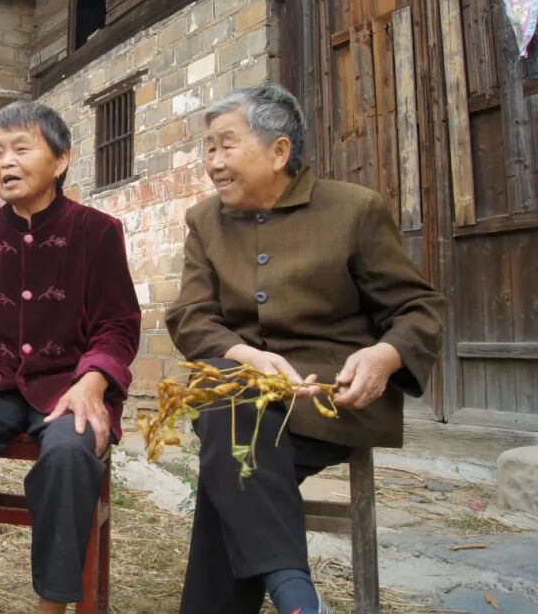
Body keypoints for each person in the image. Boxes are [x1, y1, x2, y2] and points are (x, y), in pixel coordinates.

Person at [166, 83, 445, 614]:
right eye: (209, 148)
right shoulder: (205, 221)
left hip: (329, 399)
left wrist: (384, 356)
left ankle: (293, 593)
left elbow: (419, 308)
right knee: (233, 419)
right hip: (240, 389)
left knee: (229, 447)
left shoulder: (354, 209)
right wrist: (244, 355)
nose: (214, 162)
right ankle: (295, 593)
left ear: (279, 151)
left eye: (227, 145)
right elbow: (191, 316)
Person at [0, 101, 141, 614]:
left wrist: (94, 382)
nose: (6, 162)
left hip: (69, 385)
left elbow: (117, 325)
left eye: (21, 148)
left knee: (69, 452)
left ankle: (50, 609)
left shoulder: (97, 232)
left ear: (61, 160)